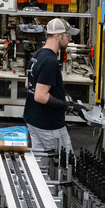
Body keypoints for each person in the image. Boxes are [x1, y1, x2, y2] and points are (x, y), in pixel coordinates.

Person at [24, 18, 79, 154]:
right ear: (57, 35)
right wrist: (66, 105)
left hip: (33, 119)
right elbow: (40, 96)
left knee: (40, 162)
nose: (70, 39)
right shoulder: (50, 61)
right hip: (48, 124)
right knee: (65, 161)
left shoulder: (37, 54)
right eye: (68, 35)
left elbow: (28, 84)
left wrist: (61, 94)